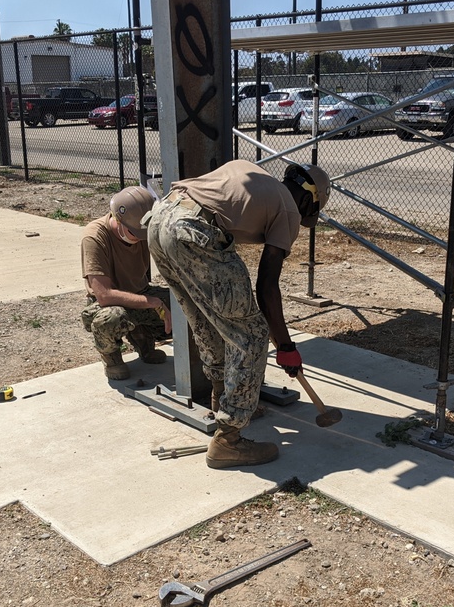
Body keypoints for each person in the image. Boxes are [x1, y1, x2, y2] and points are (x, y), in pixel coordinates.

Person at [144, 159, 331, 469]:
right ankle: (229, 440)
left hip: (161, 218)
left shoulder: (253, 175)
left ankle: (222, 396)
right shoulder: (288, 210)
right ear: (310, 200)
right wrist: (285, 347)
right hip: (192, 230)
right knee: (252, 334)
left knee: (207, 319)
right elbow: (267, 287)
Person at [81, 185, 172, 380]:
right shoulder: (95, 236)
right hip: (107, 304)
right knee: (111, 317)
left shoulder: (141, 234)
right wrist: (150, 302)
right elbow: (104, 295)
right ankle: (111, 355)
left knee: (180, 303)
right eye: (136, 234)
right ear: (119, 220)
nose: (140, 240)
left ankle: (142, 338)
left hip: (140, 292)